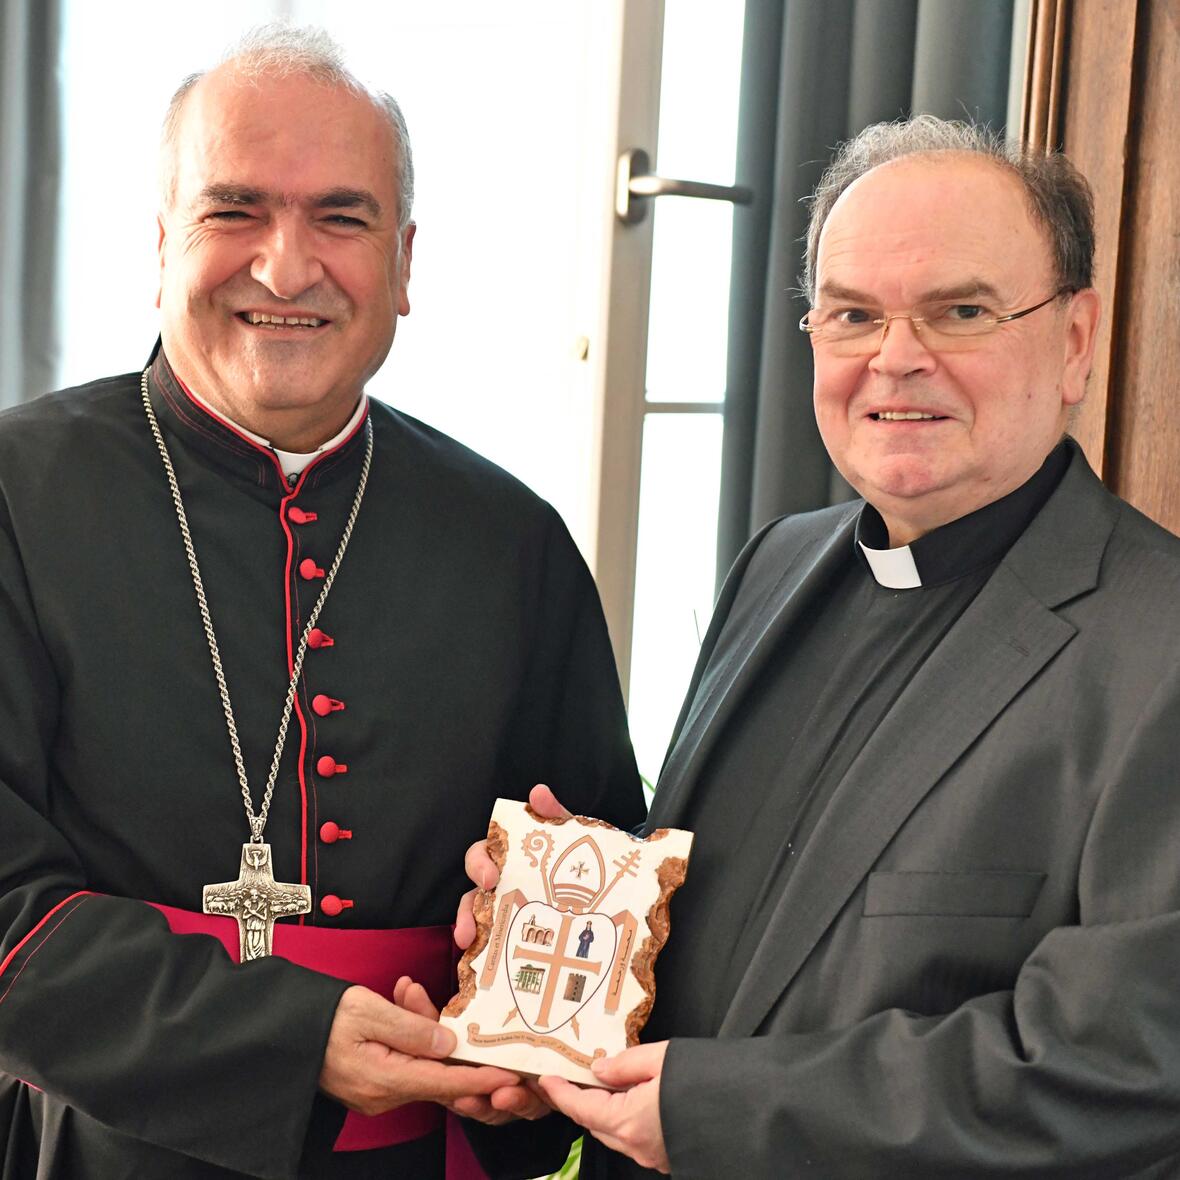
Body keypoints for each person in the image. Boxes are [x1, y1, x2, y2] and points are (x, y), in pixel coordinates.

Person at [459, 117, 1180, 1177]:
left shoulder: (1155, 643)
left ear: (1074, 339)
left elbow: (1120, 1067)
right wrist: (573, 928)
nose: (895, 357)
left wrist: (718, 1108)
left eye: (960, 311)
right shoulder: (776, 565)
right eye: (852, 314)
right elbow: (752, 929)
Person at [0, 25, 643, 1180]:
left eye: (340, 219)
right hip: (97, 1143)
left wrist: (529, 1042)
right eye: (233, 210)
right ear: (160, 244)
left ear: (403, 266)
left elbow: (596, 855)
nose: (286, 267)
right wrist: (289, 1036)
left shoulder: (513, 541)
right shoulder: (15, 493)